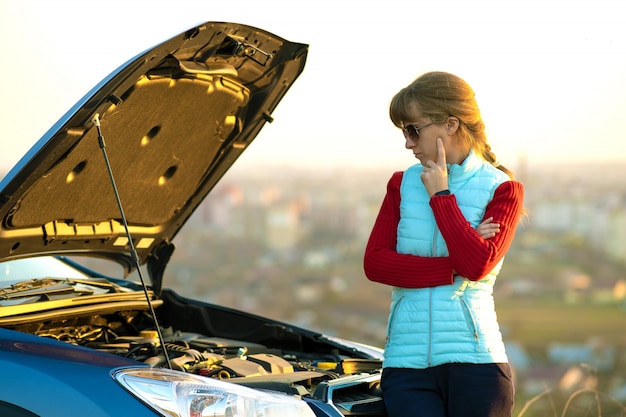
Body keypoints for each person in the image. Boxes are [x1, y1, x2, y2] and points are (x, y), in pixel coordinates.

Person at [363, 71, 525, 417]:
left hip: (478, 364)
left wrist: (441, 195)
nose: (408, 143)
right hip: (406, 367)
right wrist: (452, 264)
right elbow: (375, 263)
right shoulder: (401, 184)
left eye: (413, 130)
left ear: (450, 124)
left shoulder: (503, 189)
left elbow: (477, 266)